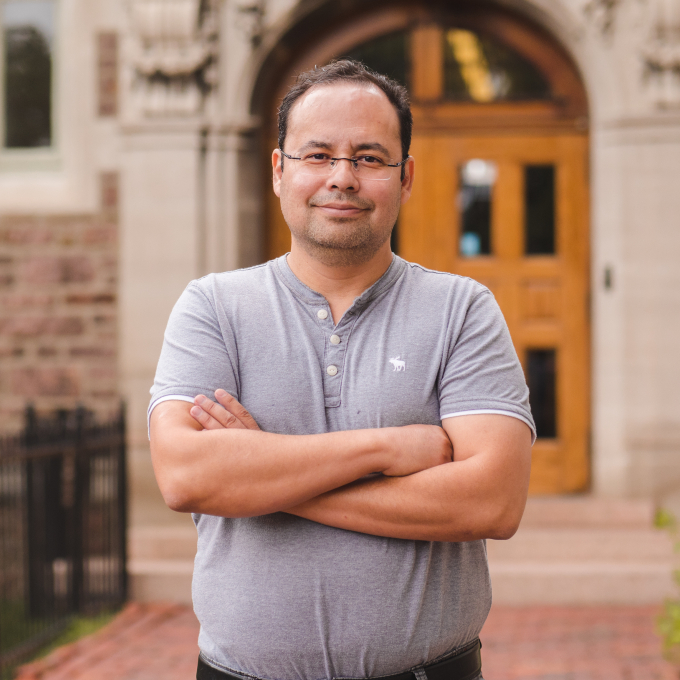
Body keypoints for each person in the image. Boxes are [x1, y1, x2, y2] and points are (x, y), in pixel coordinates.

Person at [148, 60, 534, 680]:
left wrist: (261, 475)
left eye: (369, 157)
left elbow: (492, 501)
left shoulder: (461, 310)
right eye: (318, 155)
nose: (343, 178)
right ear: (280, 171)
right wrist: (388, 447)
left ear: (404, 178)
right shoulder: (213, 306)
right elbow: (185, 475)